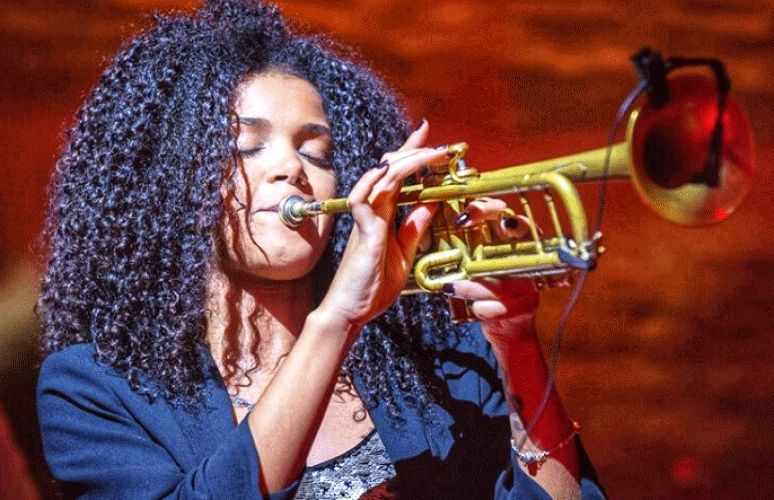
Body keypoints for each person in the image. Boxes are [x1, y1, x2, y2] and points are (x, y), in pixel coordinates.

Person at [36, 1, 605, 498]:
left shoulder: (436, 355)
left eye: (318, 153)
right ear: (175, 179)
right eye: (248, 146)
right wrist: (337, 318)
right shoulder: (93, 388)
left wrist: (515, 341)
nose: (292, 169)